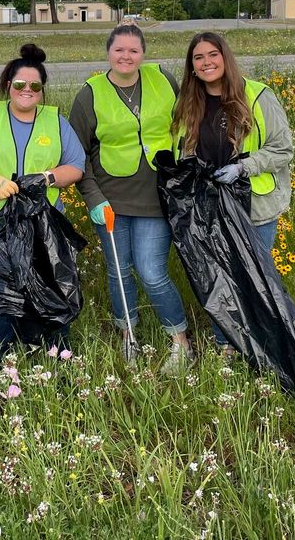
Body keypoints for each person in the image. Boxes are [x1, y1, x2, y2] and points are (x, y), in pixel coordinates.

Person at [69, 24, 195, 373]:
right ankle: (129, 336)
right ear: (108, 52)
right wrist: (93, 198)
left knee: (153, 272)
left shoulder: (164, 80)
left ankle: (180, 341)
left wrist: (184, 169)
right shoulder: (89, 94)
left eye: (133, 50)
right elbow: (76, 153)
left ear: (143, 53)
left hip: (158, 197)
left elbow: (186, 123)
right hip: (110, 200)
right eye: (119, 50)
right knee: (119, 271)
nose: (126, 56)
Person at [0, 43, 85, 364]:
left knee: (45, 283)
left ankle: (50, 350)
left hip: (41, 225)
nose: (27, 90)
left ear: (42, 90)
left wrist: (48, 177)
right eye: (20, 84)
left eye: (35, 86)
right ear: (8, 85)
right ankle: (2, 354)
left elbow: (76, 166)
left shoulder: (55, 122)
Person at [170, 30, 293, 267]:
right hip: (207, 208)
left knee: (257, 278)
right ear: (192, 66)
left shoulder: (258, 96)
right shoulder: (186, 103)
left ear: (225, 57)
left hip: (253, 208)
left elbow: (282, 149)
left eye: (213, 54)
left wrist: (242, 168)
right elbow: (182, 151)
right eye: (198, 57)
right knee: (222, 281)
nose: (207, 62)